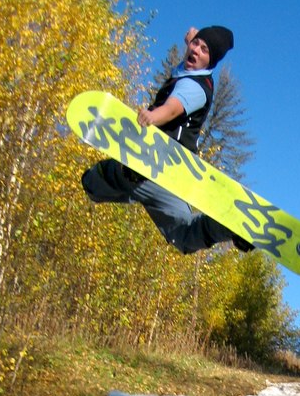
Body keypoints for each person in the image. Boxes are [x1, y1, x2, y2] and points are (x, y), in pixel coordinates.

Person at [81, 25, 252, 254]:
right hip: (173, 177)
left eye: (204, 50)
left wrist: (153, 117)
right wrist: (193, 39)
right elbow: (196, 48)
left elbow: (173, 108)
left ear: (211, 63)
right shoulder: (192, 69)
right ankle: (229, 227)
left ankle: (112, 179)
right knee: (183, 236)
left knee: (92, 183)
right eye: (195, 44)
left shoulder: (194, 88)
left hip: (153, 163)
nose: (196, 50)